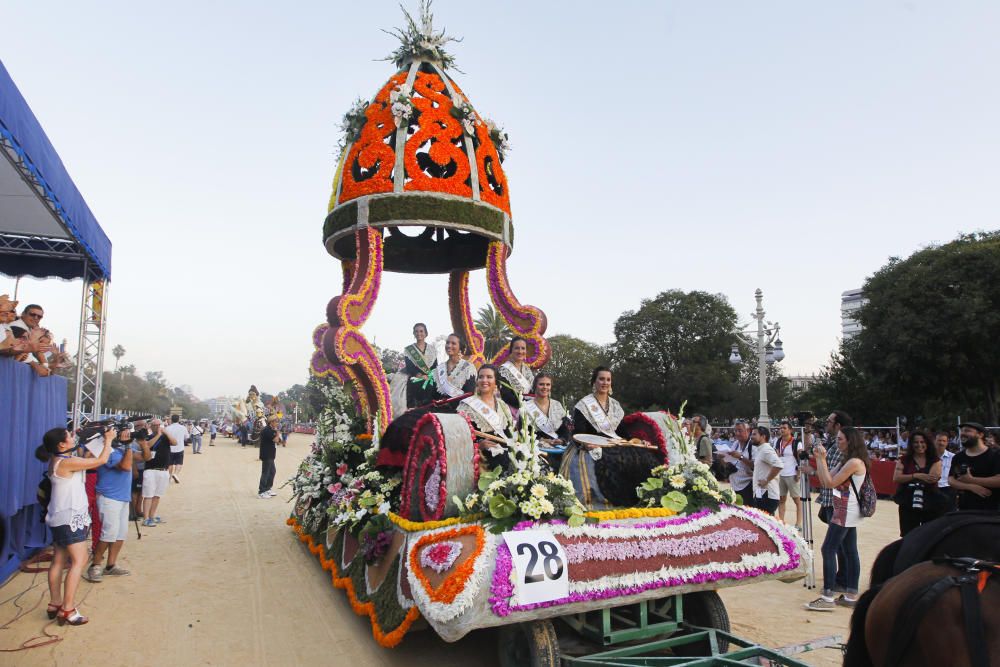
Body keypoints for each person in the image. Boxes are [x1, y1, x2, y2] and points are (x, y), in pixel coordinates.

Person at [37, 426, 114, 626]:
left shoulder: (57, 460)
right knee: (79, 560)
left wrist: (96, 439)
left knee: (59, 560)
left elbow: (87, 456)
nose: (73, 437)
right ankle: (68, 609)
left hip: (59, 517)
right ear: (61, 444)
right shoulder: (67, 462)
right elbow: (101, 460)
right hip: (71, 518)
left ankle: (54, 604)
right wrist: (109, 440)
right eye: (70, 436)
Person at [806, 426, 869, 611]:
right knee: (850, 550)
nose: (837, 442)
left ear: (850, 441)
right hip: (845, 507)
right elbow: (825, 480)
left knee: (828, 549)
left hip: (845, 509)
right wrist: (819, 459)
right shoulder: (847, 461)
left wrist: (821, 459)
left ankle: (827, 596)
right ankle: (851, 595)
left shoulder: (854, 462)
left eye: (840, 439)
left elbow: (830, 482)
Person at [559, 367, 624, 510]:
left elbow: (619, 431)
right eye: (601, 379)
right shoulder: (583, 405)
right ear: (594, 382)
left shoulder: (616, 406)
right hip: (586, 446)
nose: (605, 382)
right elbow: (578, 434)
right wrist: (589, 444)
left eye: (608, 379)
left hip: (611, 444)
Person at [804, 410, 853, 596]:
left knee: (838, 545)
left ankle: (839, 582)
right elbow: (813, 450)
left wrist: (813, 471)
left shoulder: (844, 448)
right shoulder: (833, 443)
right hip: (830, 498)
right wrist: (807, 431)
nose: (827, 423)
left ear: (838, 425)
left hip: (839, 498)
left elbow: (833, 474)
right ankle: (843, 581)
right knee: (842, 544)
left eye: (830, 421)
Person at [85, 426, 136, 582]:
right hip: (109, 497)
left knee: (120, 534)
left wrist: (138, 442)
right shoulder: (104, 449)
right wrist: (128, 446)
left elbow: (145, 458)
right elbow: (126, 466)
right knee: (108, 534)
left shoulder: (119, 449)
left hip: (122, 497)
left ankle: (111, 565)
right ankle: (95, 566)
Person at [457, 364, 516, 469]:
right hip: (481, 458)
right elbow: (459, 438)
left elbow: (509, 433)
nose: (484, 380)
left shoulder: (503, 406)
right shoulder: (466, 406)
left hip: (505, 453)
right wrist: (478, 446)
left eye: (489, 377)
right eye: (481, 377)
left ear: (496, 382)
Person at [891, 429, 943, 536]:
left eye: (922, 442)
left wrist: (908, 478)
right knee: (908, 534)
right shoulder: (904, 459)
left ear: (927, 443)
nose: (919, 445)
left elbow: (932, 478)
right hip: (908, 502)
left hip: (930, 501)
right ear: (911, 444)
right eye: (916, 442)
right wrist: (917, 475)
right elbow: (896, 478)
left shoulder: (934, 460)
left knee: (930, 534)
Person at [949, 422, 1000, 511]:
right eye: (962, 431)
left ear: (980, 435)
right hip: (965, 510)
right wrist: (971, 487)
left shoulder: (995, 455)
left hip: (991, 510)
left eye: (967, 431)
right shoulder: (958, 457)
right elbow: (951, 479)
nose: (963, 433)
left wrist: (971, 480)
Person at [521, 372, 571, 445]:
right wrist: (542, 440)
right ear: (535, 386)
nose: (545, 387)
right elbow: (524, 431)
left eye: (548, 384)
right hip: (535, 448)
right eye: (541, 384)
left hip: (557, 448)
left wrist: (562, 440)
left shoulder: (557, 405)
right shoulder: (526, 406)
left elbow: (565, 429)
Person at [140, 419, 172, 527]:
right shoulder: (148, 436)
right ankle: (146, 518)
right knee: (148, 495)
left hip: (163, 470)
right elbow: (148, 445)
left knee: (157, 495)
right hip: (150, 470)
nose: (158, 426)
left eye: (159, 425)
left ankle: (152, 516)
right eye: (155, 425)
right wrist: (158, 435)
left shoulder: (166, 437)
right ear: (151, 426)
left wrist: (166, 432)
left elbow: (175, 442)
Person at [775, 420, 803, 527]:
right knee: (781, 499)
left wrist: (798, 472)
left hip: (792, 473)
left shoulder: (796, 442)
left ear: (790, 430)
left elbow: (800, 458)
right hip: (781, 474)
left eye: (784, 428)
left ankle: (798, 523)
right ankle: (781, 522)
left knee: (797, 499)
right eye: (780, 428)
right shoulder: (778, 441)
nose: (781, 430)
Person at [403, 322, 437, 408]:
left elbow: (435, 366)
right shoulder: (409, 350)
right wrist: (420, 375)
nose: (419, 333)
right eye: (416, 331)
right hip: (415, 379)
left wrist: (429, 375)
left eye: (421, 331)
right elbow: (409, 367)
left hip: (430, 378)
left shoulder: (432, 349)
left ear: (426, 333)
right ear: (414, 333)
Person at [433, 333, 477, 400]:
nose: (449, 345)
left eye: (453, 343)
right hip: (439, 408)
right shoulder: (439, 369)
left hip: (460, 408)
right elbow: (435, 394)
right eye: (447, 343)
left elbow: (469, 393)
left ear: (460, 347)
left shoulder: (468, 368)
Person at [750, 426, 782, 514]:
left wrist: (766, 480)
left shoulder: (766, 450)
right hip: (762, 494)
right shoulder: (761, 450)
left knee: (765, 526)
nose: (751, 437)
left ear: (763, 436)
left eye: (754, 434)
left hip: (767, 495)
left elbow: (779, 465)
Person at [724, 421, 755, 507]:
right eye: (735, 431)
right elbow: (729, 461)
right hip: (734, 483)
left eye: (740, 430)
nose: (737, 433)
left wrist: (741, 457)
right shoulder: (735, 444)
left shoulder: (752, 445)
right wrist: (723, 458)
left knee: (747, 511)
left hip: (747, 485)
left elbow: (755, 465)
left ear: (748, 431)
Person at [498, 337, 534, 408]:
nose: (520, 351)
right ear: (511, 350)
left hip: (529, 409)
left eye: (523, 348)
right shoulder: (503, 370)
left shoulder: (528, 371)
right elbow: (506, 396)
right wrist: (526, 403)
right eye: (517, 348)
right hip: (512, 411)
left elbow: (533, 391)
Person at [258, 415, 280, 498]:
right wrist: (277, 434)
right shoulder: (267, 430)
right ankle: (261, 491)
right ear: (271, 422)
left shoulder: (271, 430)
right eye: (276, 422)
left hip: (271, 454)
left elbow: (278, 441)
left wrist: (276, 433)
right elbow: (276, 440)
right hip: (267, 454)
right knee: (265, 473)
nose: (277, 423)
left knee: (272, 472)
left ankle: (267, 488)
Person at [934, 431, 956, 511]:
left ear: (947, 443)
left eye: (944, 441)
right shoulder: (928, 457)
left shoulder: (953, 457)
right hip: (932, 488)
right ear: (934, 441)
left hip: (948, 489)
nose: (941, 443)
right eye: (939, 440)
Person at [164, 415, 188, 482]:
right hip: (180, 448)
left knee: (170, 463)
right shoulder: (183, 428)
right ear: (178, 420)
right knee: (179, 462)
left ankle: (169, 476)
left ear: (171, 419)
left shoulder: (167, 428)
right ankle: (176, 474)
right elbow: (186, 437)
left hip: (170, 448)